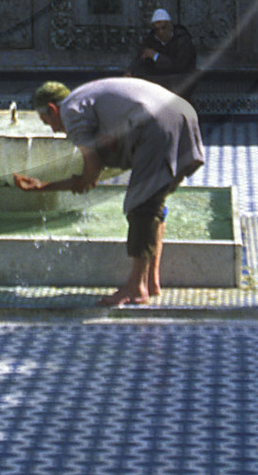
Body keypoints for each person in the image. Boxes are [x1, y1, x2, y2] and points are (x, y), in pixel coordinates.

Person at [16, 74, 204, 310]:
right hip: (183, 113)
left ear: (53, 109)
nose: (54, 130)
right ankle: (151, 281)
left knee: (141, 206)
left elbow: (91, 174)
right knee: (154, 203)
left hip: (158, 124)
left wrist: (45, 187)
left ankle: (136, 288)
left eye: (48, 122)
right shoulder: (86, 97)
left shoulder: (70, 112)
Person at [128, 7, 197, 90]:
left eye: (164, 28)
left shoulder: (183, 40)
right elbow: (140, 59)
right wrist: (131, 71)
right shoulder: (151, 40)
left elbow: (180, 66)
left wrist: (156, 56)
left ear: (170, 25)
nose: (161, 32)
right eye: (157, 29)